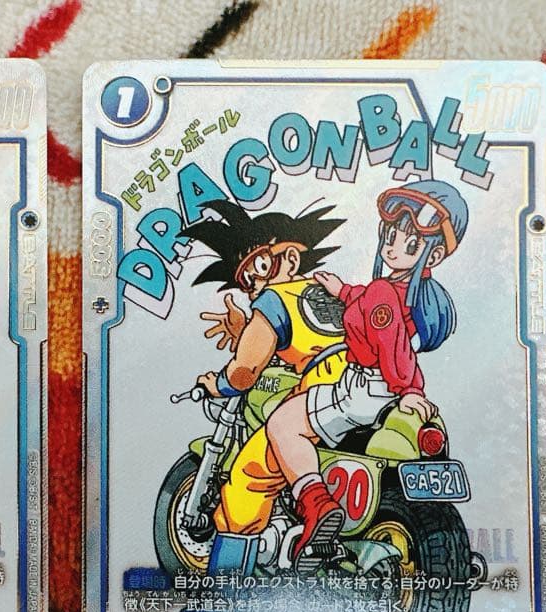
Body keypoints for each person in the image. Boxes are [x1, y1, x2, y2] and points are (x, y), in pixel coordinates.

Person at [264, 180, 468, 563]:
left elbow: (393, 343)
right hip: (383, 391)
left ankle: (316, 504)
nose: (393, 246)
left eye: (410, 243)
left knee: (282, 424)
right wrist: (342, 291)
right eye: (391, 236)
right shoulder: (407, 290)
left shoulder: (383, 294)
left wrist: (409, 389)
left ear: (435, 253)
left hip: (364, 390)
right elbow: (377, 308)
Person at [185, 200, 346, 539]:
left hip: (323, 385)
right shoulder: (331, 291)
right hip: (367, 382)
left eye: (260, 264)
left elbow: (244, 372)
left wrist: (218, 384)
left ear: (290, 259)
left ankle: (232, 563)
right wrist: (246, 332)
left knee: (248, 479)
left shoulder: (274, 300)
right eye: (246, 280)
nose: (255, 283)